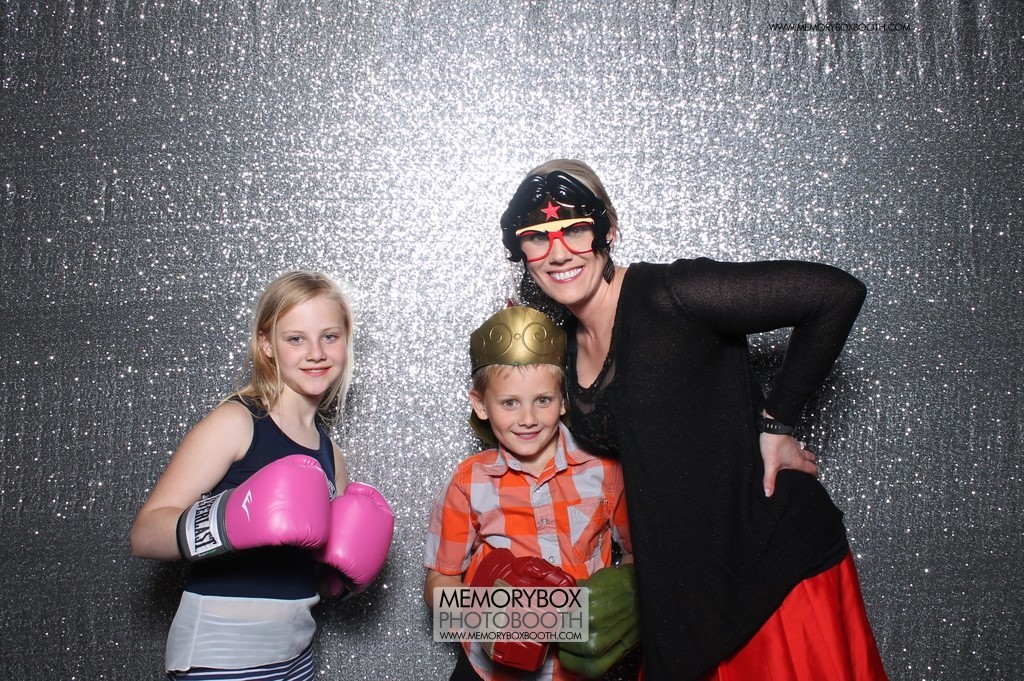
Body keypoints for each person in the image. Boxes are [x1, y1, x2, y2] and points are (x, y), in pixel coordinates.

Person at [497, 160, 889, 681]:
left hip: (769, 572)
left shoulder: (672, 293)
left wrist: (777, 424)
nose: (558, 252)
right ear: (520, 251)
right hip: (683, 600)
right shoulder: (563, 348)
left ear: (608, 230)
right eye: (536, 238)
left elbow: (833, 294)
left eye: (576, 229)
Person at [130, 271, 394, 681]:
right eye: (295, 339)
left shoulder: (332, 456)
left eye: (329, 336)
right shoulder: (237, 423)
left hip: (296, 656)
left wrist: (336, 581)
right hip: (220, 656)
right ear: (267, 344)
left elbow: (306, 572)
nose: (316, 353)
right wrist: (228, 521)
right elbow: (145, 535)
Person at [424, 305, 635, 681]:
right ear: (480, 405)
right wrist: (497, 618)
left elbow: (640, 559)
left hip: (582, 670)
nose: (528, 419)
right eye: (509, 403)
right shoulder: (467, 483)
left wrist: (616, 605)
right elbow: (438, 585)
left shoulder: (605, 470)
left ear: (564, 399)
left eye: (543, 400)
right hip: (490, 673)